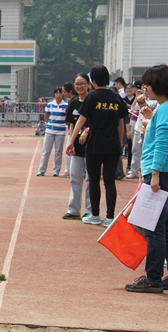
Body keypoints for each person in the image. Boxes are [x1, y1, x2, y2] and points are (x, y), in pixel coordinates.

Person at [125, 64, 168, 293]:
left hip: (160, 174)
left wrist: (155, 175)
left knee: (153, 227)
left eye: (148, 84)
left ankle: (153, 278)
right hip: (165, 172)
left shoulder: (167, 109)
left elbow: (163, 144)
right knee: (165, 226)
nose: (145, 89)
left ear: (158, 86)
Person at [66, 65, 128, 227]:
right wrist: (121, 142)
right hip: (113, 146)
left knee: (93, 180)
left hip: (95, 145)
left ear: (92, 81)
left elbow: (81, 120)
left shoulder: (92, 97)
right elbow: (121, 123)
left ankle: (94, 215)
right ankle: (109, 217)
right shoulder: (116, 98)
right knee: (109, 181)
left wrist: (71, 140)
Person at [62, 73, 92, 220]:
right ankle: (74, 210)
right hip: (76, 147)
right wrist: (71, 141)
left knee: (90, 179)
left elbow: (97, 121)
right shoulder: (73, 103)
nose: (79, 86)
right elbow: (72, 123)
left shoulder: (93, 100)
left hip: (92, 145)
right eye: (77, 84)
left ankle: (90, 210)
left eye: (82, 83)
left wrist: (87, 131)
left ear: (88, 84)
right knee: (75, 177)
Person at [36, 87, 68, 177]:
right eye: (56, 93)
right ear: (54, 94)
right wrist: (50, 124)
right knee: (46, 151)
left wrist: (61, 124)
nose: (58, 95)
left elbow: (68, 119)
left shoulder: (66, 105)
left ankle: (56, 170)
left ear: (63, 94)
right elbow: (46, 117)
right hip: (50, 131)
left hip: (61, 131)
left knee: (58, 151)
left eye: (60, 93)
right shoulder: (49, 105)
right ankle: (42, 170)